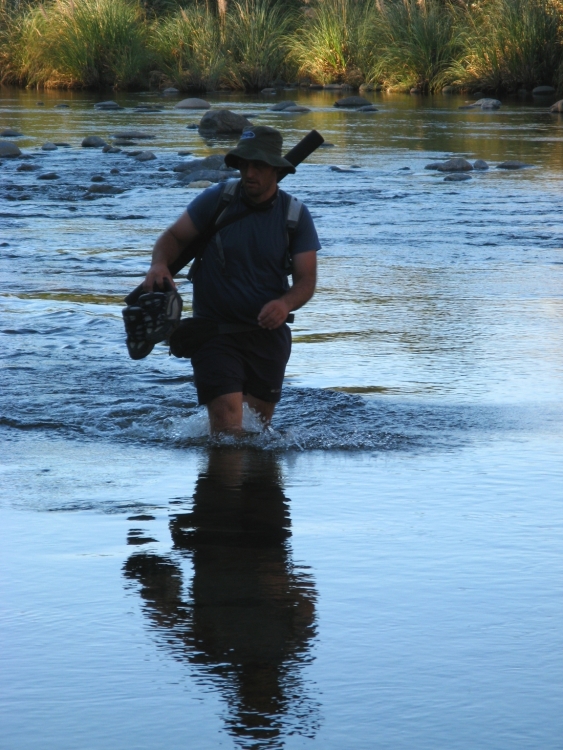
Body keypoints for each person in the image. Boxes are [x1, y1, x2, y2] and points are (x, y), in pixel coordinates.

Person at [142, 126, 321, 434]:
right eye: (244, 164)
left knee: (256, 431)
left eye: (258, 166)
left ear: (276, 169)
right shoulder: (217, 200)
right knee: (228, 428)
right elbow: (174, 236)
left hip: (267, 337)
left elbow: (306, 281)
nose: (248, 173)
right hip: (214, 332)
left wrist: (284, 303)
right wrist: (159, 264)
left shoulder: (295, 215)